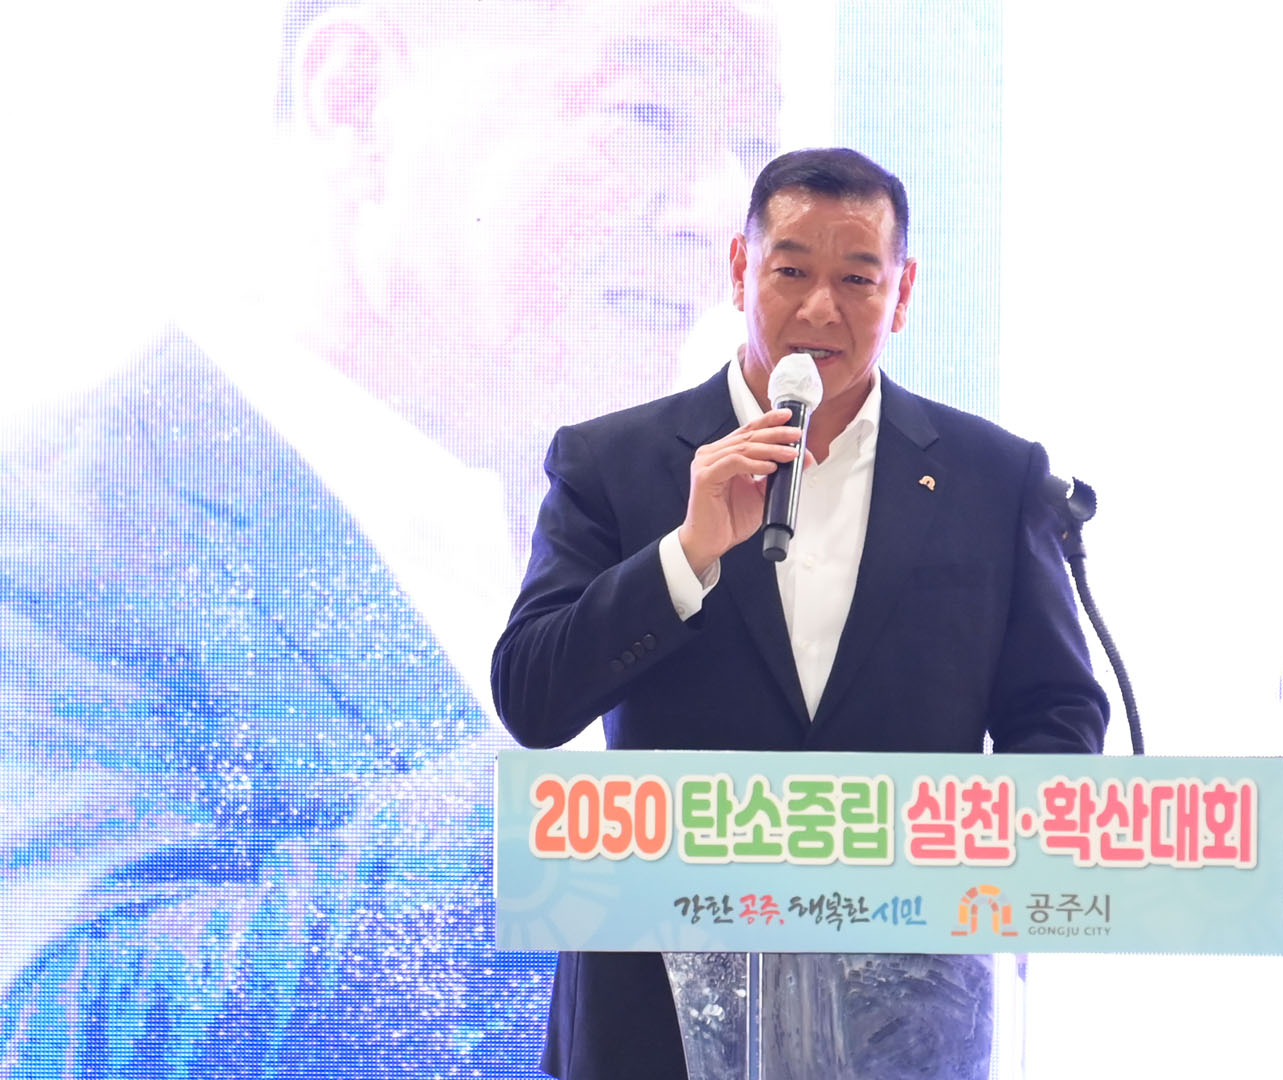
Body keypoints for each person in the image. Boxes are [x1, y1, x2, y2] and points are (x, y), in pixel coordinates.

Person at [0, 0, 777, 1074]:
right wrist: (602, 796)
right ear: (357, 99)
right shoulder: (57, 532)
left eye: (747, 156)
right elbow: (60, 1025)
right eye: (649, 116)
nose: (727, 226)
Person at [492, 147, 1110, 1080]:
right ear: (740, 270)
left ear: (902, 294)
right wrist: (685, 554)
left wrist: (978, 872)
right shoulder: (612, 462)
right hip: (655, 1015)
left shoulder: (995, 475)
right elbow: (532, 699)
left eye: (857, 279)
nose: (821, 309)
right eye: (791, 272)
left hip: (910, 1012)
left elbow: (1056, 712)